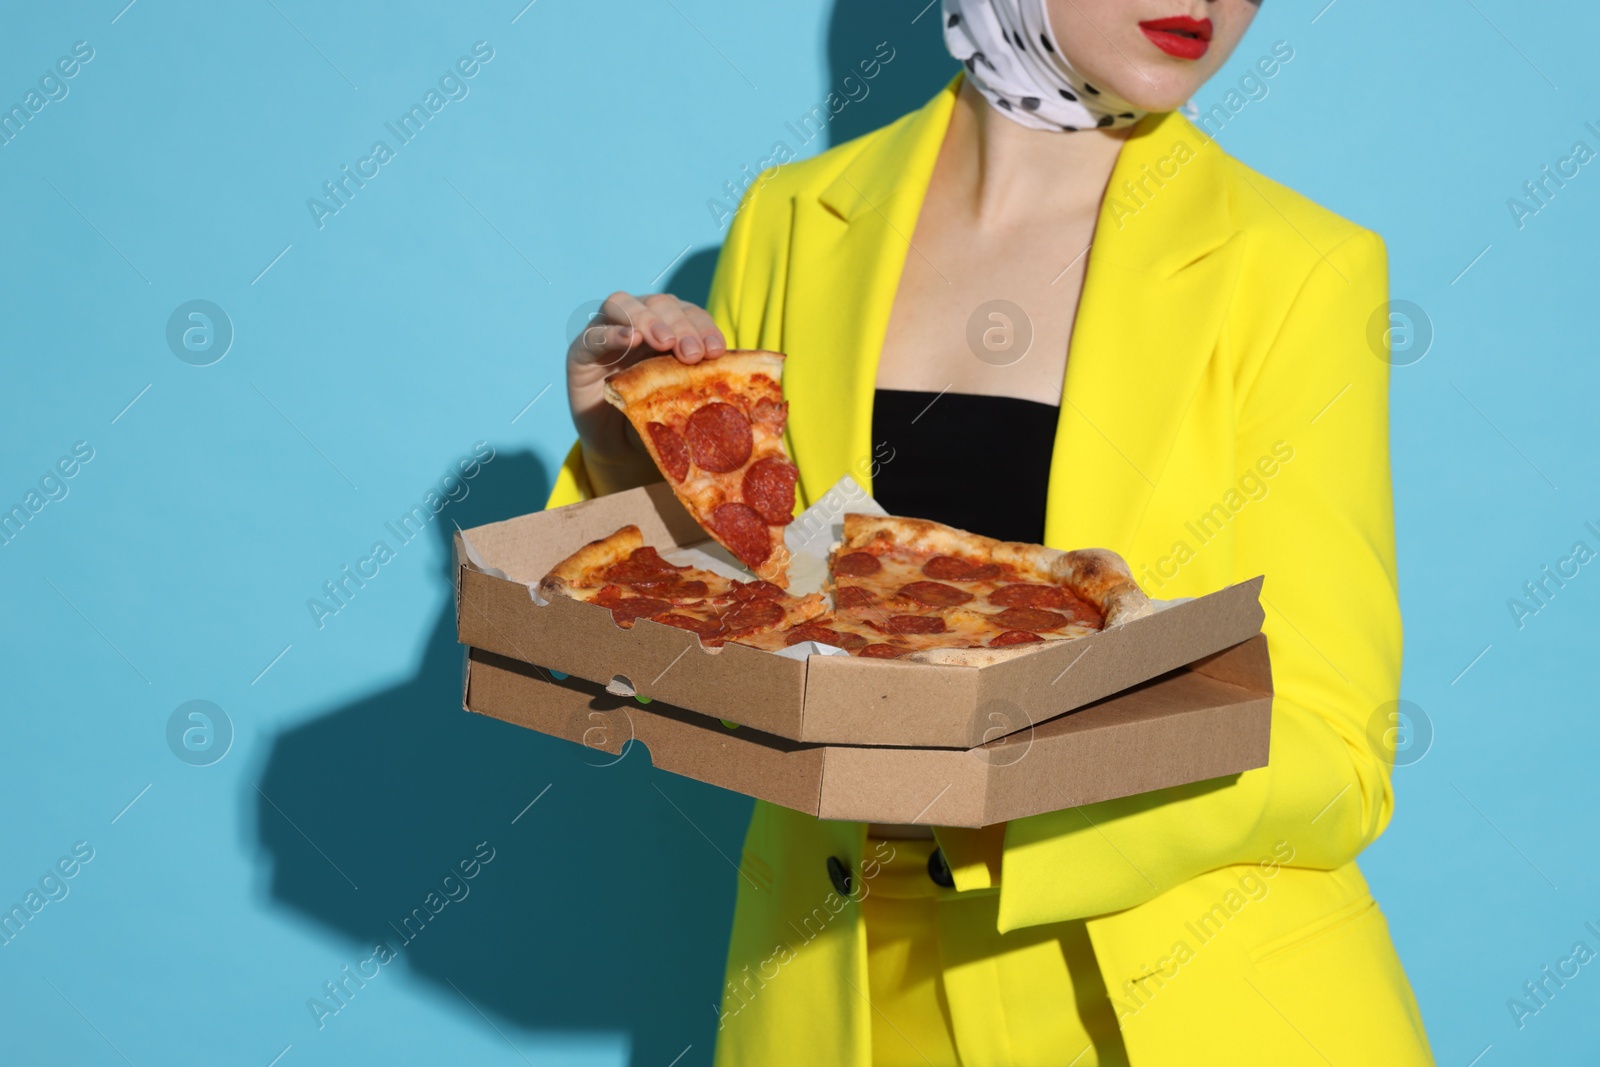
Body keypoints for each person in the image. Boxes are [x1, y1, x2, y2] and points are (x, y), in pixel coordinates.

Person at [550, 0, 1434, 1063]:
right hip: (832, 1000)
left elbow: (1337, 749)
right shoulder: (793, 214)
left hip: (1163, 1010)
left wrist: (993, 801)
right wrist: (622, 447)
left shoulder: (1296, 267)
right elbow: (743, 604)